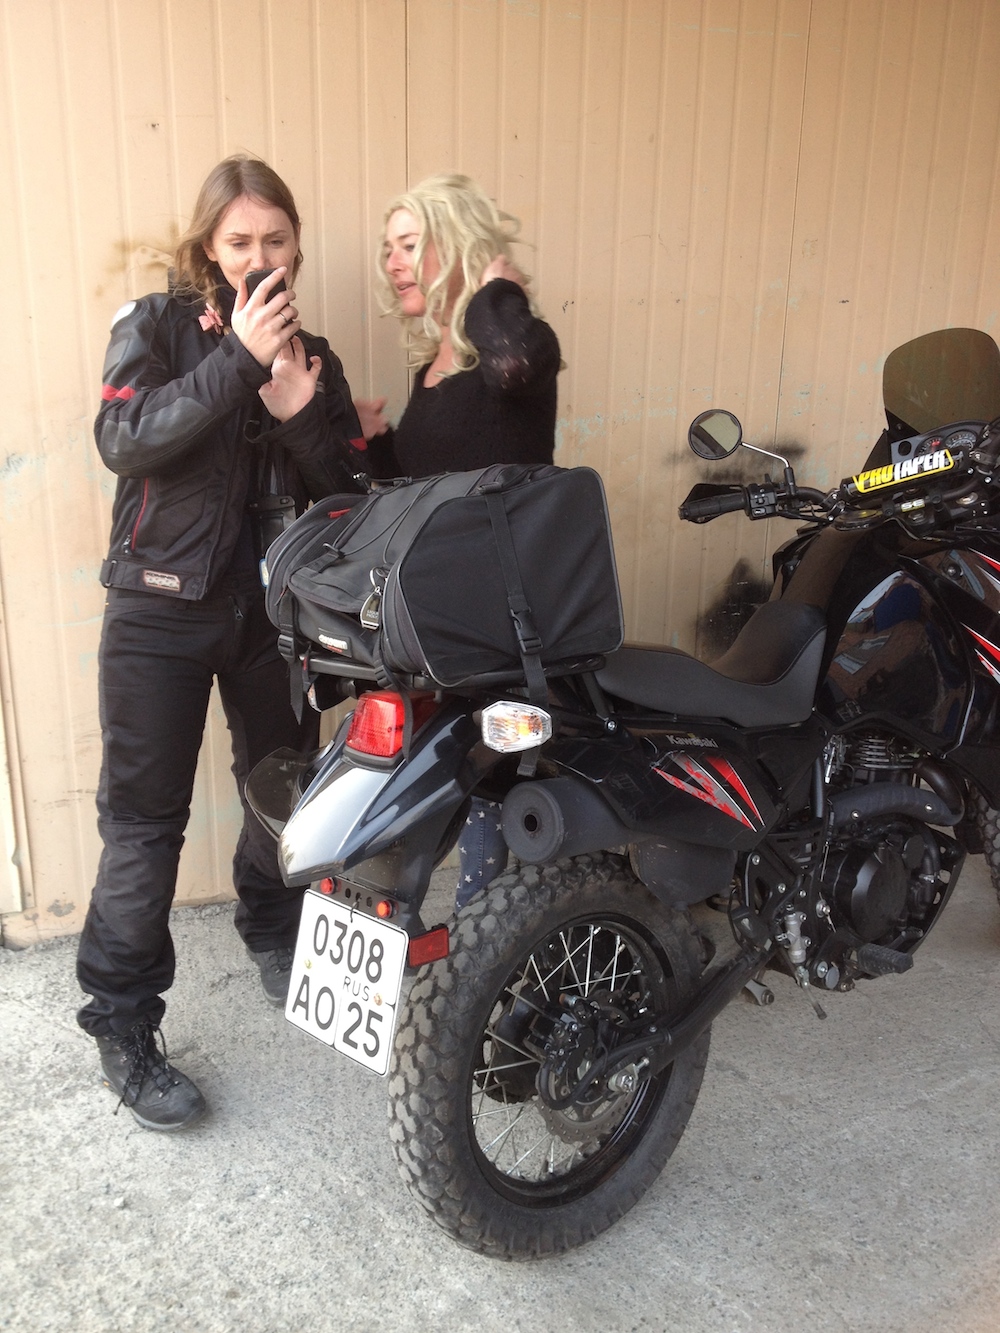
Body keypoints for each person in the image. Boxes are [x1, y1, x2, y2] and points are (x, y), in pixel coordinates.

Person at [78, 155, 373, 1130]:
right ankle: (123, 1023)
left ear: (296, 245)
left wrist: (299, 414)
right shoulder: (154, 325)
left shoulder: (312, 354)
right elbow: (123, 438)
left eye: (275, 239)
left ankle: (273, 926)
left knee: (283, 791)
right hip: (155, 611)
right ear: (210, 246)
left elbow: (349, 496)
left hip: (270, 617)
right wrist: (238, 362)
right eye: (239, 240)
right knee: (143, 826)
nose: (258, 256)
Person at [354, 173, 561, 908]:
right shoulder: (433, 370)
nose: (393, 262)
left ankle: (487, 941)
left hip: (505, 619)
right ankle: (433, 934)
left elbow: (512, 361)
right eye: (389, 248)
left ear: (459, 244)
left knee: (493, 784)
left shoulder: (514, 344)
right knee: (439, 778)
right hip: (440, 617)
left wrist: (496, 290)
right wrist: (375, 442)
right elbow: (422, 488)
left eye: (410, 244)